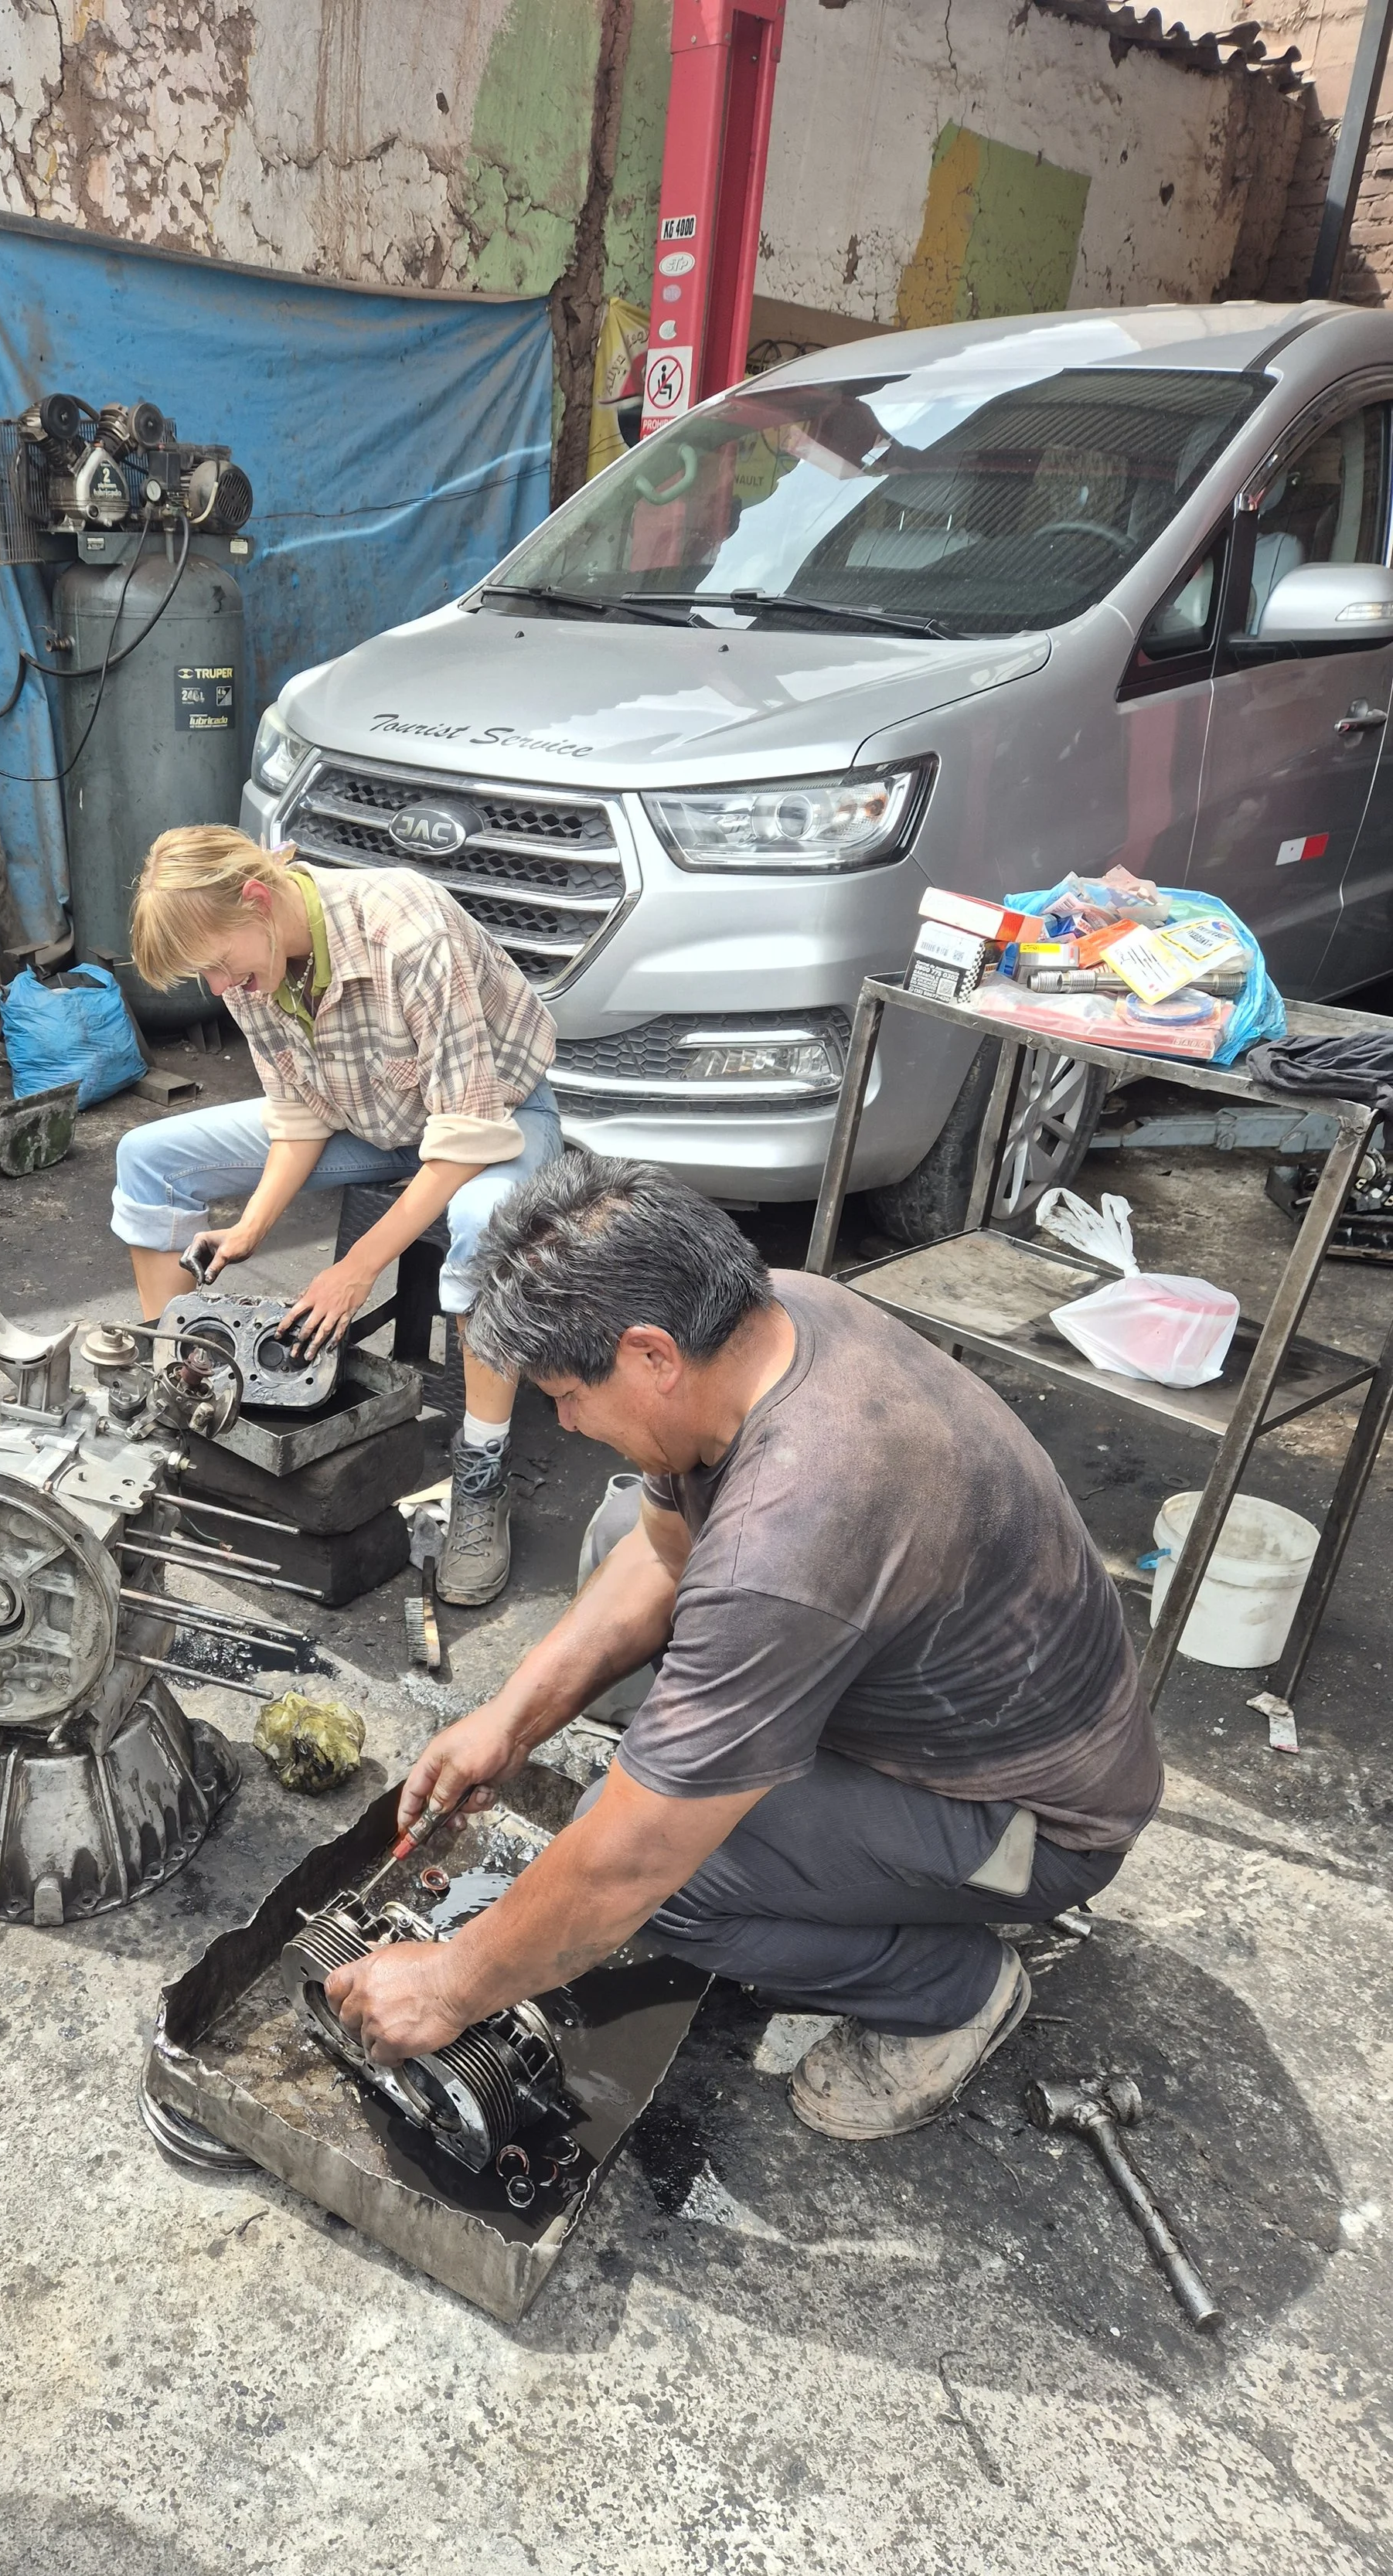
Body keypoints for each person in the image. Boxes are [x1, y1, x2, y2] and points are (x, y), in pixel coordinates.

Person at [322, 1155, 1163, 2140]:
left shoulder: (794, 1529)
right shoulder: (775, 1318)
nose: (565, 1422)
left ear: (648, 1356)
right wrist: (509, 1722)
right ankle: (822, 1856)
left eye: (564, 1394)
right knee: (612, 1538)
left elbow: (625, 1871)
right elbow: (661, 1557)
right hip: (938, 1697)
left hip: (1029, 1823)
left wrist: (453, 1983)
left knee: (662, 1882)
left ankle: (951, 1990)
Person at [111, 825, 562, 1604]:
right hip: (367, 1122)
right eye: (204, 976)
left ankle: (480, 1479)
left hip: (496, 1119)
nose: (220, 987)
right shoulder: (254, 970)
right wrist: (251, 1226)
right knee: (147, 1157)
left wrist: (355, 1270)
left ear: (257, 898)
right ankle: (188, 1406)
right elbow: (296, 1117)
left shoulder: (404, 930)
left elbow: (463, 1136)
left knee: (484, 1225)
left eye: (220, 963)